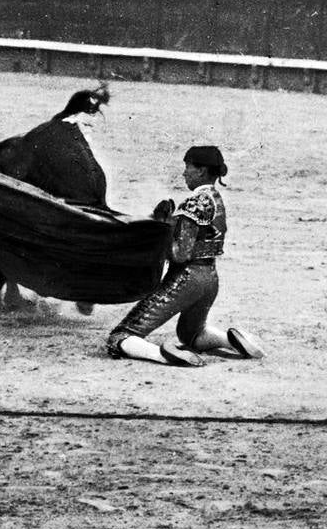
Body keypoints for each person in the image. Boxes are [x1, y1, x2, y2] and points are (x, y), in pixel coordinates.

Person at [107, 146, 264, 367]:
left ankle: (164, 355)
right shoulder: (216, 198)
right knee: (191, 334)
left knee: (120, 336)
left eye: (188, 167)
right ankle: (230, 341)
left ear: (201, 171)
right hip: (210, 279)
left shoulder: (194, 202)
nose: (184, 173)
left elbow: (181, 254)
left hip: (187, 278)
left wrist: (162, 231)